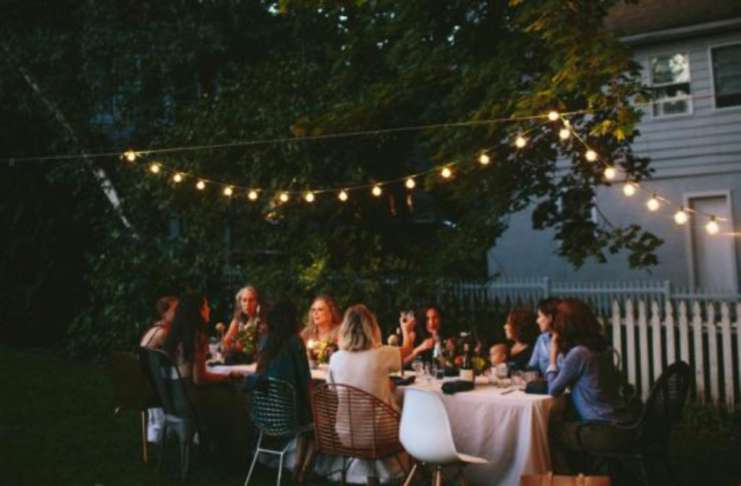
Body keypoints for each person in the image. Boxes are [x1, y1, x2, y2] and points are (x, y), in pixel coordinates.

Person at [545, 298, 632, 473]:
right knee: (569, 421)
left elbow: (553, 390)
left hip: (601, 430)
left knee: (547, 432)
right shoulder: (603, 347)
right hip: (624, 424)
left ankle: (569, 480)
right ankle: (590, 472)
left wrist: (552, 358)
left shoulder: (579, 353)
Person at [161, 293, 246, 461]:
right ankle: (233, 452)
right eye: (206, 306)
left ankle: (211, 444)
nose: (209, 309)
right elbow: (199, 379)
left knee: (224, 391)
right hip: (188, 401)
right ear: (198, 311)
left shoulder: (173, 335)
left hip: (171, 399)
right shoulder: (197, 335)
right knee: (235, 395)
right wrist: (227, 376)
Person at [244, 300, 313, 478]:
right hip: (289, 415)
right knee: (316, 420)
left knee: (309, 416)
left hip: (264, 416)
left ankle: (298, 468)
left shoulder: (265, 341)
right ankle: (302, 470)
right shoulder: (295, 342)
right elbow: (305, 381)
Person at [223, 285, 263, 356]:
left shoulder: (263, 320)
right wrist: (235, 347)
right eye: (244, 300)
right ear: (240, 302)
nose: (247, 304)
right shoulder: (237, 320)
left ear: (257, 302)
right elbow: (225, 343)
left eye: (251, 300)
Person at [528, 298, 562, 375]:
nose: (537, 321)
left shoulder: (568, 342)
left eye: (539, 316)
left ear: (549, 318)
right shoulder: (542, 339)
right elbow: (532, 368)